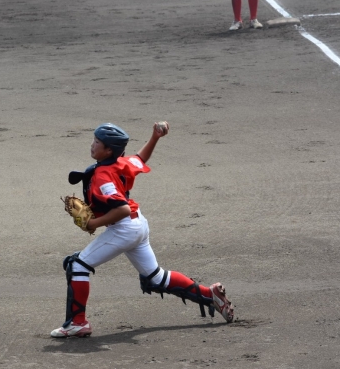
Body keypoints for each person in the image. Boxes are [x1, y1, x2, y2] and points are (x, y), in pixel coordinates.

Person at [51, 122, 235, 338]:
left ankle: (78, 323)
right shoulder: (120, 162)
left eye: (97, 142)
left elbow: (122, 209)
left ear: (109, 150)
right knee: (156, 278)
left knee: (77, 265)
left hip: (124, 229)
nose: (92, 144)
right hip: (138, 225)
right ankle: (210, 294)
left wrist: (93, 224)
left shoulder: (102, 176)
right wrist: (155, 137)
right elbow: (140, 158)